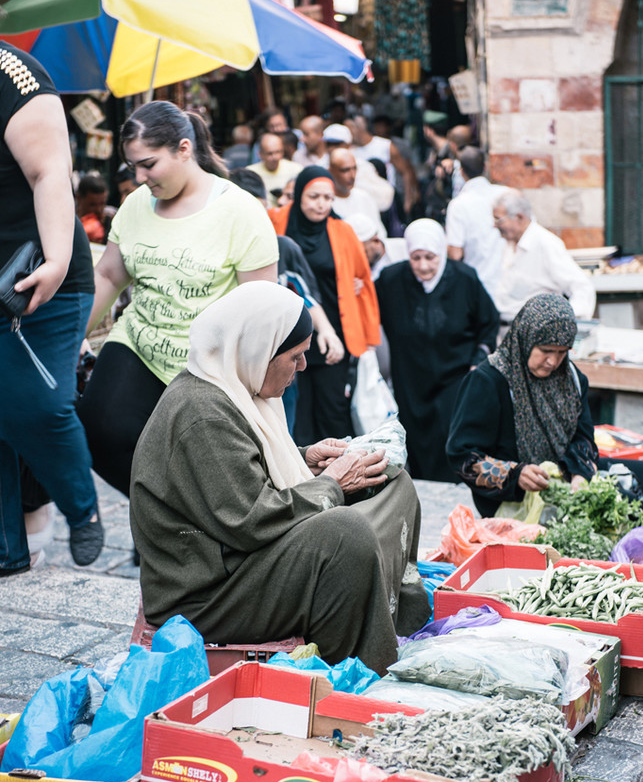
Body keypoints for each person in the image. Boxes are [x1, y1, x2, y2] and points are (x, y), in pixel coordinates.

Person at [130, 282, 431, 676]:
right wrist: (332, 484)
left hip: (240, 559)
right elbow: (251, 521)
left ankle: (390, 619)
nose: (303, 367)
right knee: (344, 534)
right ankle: (359, 669)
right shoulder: (203, 413)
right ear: (258, 352)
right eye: (295, 356)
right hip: (207, 593)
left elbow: (243, 473)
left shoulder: (233, 388)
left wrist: (305, 460)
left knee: (391, 484)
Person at [77, 100, 278, 498]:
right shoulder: (136, 204)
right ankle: (162, 513)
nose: (139, 177)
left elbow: (261, 312)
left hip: (206, 365)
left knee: (205, 470)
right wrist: (67, 339)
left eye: (148, 164)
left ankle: (183, 519)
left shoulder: (241, 211)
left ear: (184, 149)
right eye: (133, 166)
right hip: (139, 342)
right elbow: (109, 274)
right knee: (99, 432)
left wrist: (255, 390)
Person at [0, 41, 102, 575]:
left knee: (36, 405)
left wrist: (58, 259)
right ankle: (6, 553)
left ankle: (82, 509)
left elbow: (50, 172)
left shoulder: (11, 72)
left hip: (42, 271)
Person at [446, 293, 643, 519]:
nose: (553, 361)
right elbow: (462, 455)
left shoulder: (572, 380)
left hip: (565, 480)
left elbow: (583, 438)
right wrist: (516, 474)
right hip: (512, 501)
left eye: (562, 352)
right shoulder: (489, 381)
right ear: (525, 339)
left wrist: (579, 473)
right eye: (546, 350)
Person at [375, 218, 499, 483]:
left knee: (450, 436)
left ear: (441, 253)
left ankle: (453, 489)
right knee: (416, 439)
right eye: (416, 257)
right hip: (411, 379)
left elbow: (488, 322)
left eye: (430, 257)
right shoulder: (391, 280)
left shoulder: (464, 278)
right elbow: (367, 310)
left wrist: (478, 359)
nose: (423, 266)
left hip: (454, 376)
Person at [269, 166, 380, 445]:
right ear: (299, 195)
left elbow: (363, 278)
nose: (321, 204)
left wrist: (368, 338)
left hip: (332, 332)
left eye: (328, 198)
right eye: (314, 197)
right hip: (287, 335)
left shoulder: (342, 231)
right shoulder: (276, 221)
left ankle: (337, 464)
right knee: (295, 412)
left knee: (332, 409)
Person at [229, 167, 344, 433]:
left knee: (281, 429)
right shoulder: (219, 251)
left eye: (260, 212)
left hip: (278, 359)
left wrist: (327, 331)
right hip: (234, 363)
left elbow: (304, 295)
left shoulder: (283, 246)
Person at [492, 189, 596, 324]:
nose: (494, 226)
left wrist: (564, 321)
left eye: (499, 220)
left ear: (519, 217)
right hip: (505, 326)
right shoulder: (507, 244)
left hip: (533, 329)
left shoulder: (545, 243)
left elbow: (582, 287)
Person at [445, 146, 507, 299]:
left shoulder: (458, 205)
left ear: (461, 172)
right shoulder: (506, 194)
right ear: (485, 166)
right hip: (509, 283)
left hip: (479, 285)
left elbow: (455, 253)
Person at [328, 147, 382, 225]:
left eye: (354, 168)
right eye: (345, 170)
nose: (352, 176)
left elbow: (378, 229)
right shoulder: (326, 202)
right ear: (331, 171)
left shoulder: (365, 198)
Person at [247, 132, 300, 206]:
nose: (275, 157)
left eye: (278, 152)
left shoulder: (296, 169)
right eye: (270, 153)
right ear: (260, 154)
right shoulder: (250, 173)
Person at [75, 173, 114, 244]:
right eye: (92, 205)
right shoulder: (68, 219)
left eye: (102, 203)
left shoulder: (111, 219)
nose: (98, 210)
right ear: (79, 198)